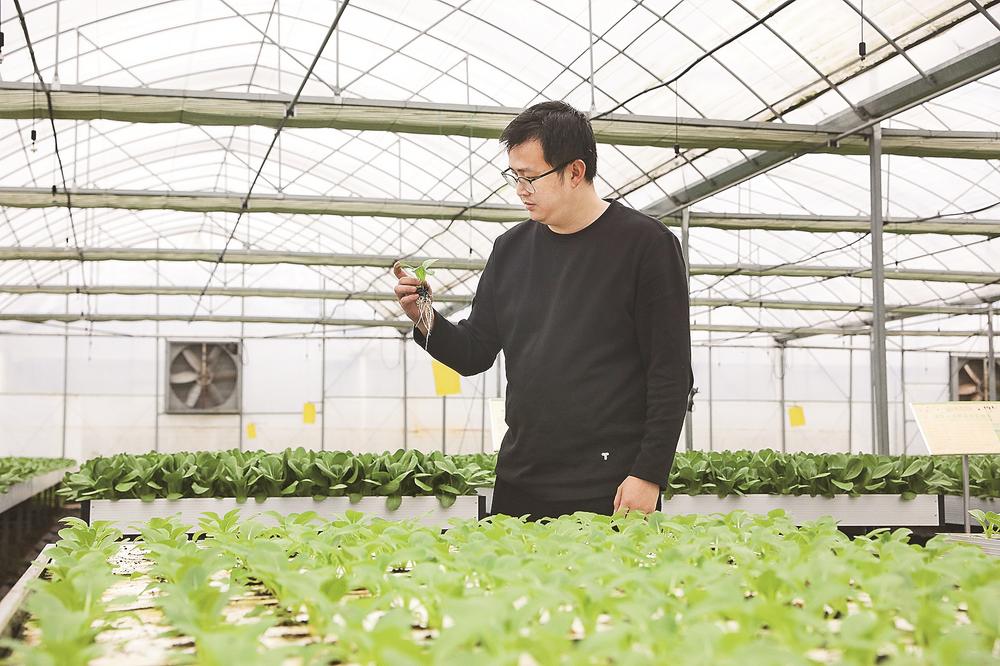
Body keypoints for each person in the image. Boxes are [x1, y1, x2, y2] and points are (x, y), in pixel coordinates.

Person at [393, 101, 692, 521]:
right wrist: (423, 314)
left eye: (530, 177)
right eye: (514, 176)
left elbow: (670, 371)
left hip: (611, 485)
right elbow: (474, 351)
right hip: (522, 480)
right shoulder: (510, 250)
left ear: (575, 171)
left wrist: (649, 473)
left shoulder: (646, 245)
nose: (520, 189)